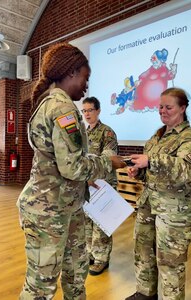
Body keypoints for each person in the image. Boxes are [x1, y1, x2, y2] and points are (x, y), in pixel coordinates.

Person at [16, 42, 125, 300]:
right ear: (71, 72)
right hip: (49, 211)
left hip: (68, 206)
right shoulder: (62, 108)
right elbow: (73, 166)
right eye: (85, 78)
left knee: (76, 273)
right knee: (40, 288)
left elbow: (66, 160)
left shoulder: (51, 103)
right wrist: (109, 163)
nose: (86, 86)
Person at [125, 87, 191, 300]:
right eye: (160, 106)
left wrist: (152, 161)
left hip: (174, 213)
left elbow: (190, 171)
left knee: (170, 263)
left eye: (168, 107)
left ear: (182, 108)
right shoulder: (158, 136)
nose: (162, 111)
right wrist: (140, 171)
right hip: (149, 205)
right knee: (143, 253)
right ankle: (145, 294)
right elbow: (155, 173)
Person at [81, 96, 118, 276]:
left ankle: (102, 259)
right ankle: (90, 253)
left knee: (102, 223)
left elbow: (107, 159)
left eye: (90, 110)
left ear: (98, 111)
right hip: (86, 185)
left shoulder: (107, 133)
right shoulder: (83, 134)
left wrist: (91, 175)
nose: (87, 114)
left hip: (104, 185)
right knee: (87, 222)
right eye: (84, 110)